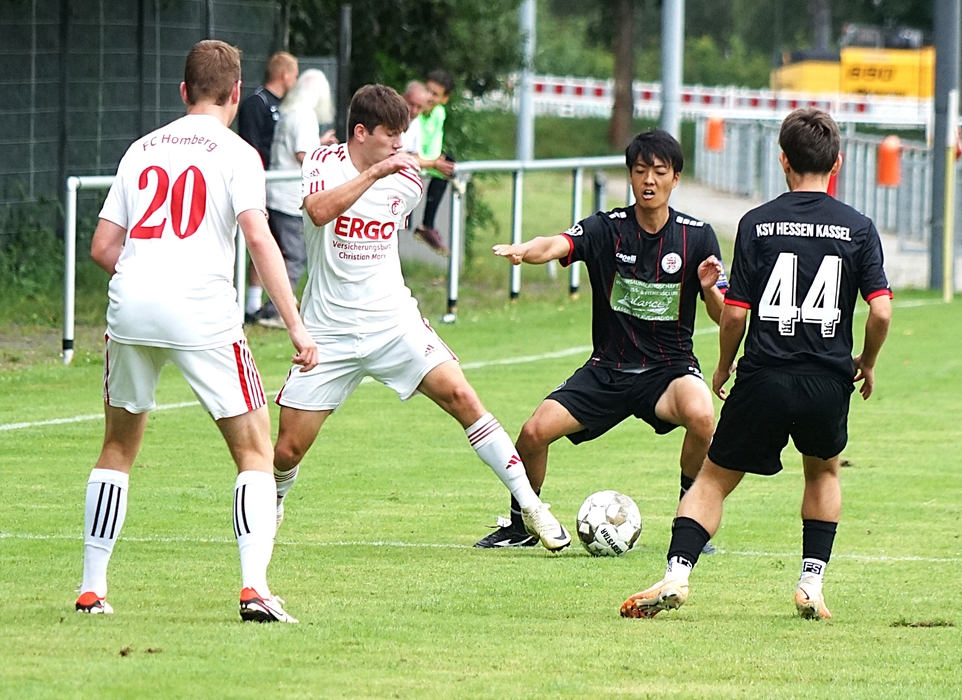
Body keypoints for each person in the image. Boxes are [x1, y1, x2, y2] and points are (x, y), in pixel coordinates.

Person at [269, 84, 571, 552]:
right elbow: (318, 211)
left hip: (393, 323)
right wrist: (375, 173)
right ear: (361, 132)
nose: (400, 145)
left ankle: (532, 507)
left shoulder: (407, 182)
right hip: (328, 331)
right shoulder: (324, 162)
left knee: (463, 396)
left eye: (402, 135)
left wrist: (390, 168)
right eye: (391, 135)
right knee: (287, 450)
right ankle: (274, 500)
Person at [77, 40, 318, 624]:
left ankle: (91, 589)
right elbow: (258, 238)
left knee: (117, 447)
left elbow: (103, 247)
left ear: (183, 92)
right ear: (236, 93)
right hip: (201, 308)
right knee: (254, 451)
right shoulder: (238, 153)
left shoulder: (141, 149)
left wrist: (148, 276)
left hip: (131, 305)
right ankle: (254, 588)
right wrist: (296, 325)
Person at [620, 108, 893, 621]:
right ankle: (810, 584)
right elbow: (880, 310)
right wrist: (868, 361)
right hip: (826, 379)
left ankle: (677, 573)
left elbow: (735, 313)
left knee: (712, 480)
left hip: (764, 375)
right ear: (837, 162)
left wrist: (724, 365)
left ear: (783, 160)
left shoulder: (757, 223)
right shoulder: (858, 228)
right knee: (823, 472)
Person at [483, 130, 727, 550]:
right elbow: (557, 243)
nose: (649, 180)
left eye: (659, 171)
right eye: (640, 170)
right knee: (533, 432)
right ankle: (522, 526)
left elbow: (722, 316)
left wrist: (709, 289)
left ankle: (690, 519)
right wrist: (526, 250)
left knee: (702, 414)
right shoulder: (606, 228)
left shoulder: (698, 236)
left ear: (675, 178)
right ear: (630, 176)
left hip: (668, 370)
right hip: (608, 369)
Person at [255, 69, 338, 328]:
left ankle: (263, 306)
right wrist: (326, 162)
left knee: (278, 253)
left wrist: (318, 144)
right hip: (291, 196)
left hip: (275, 193)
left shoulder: (288, 112)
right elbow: (303, 154)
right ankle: (275, 310)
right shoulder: (305, 115)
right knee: (294, 256)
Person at [238, 51, 298, 320]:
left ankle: (262, 303)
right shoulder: (257, 102)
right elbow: (250, 143)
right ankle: (251, 304)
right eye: (294, 75)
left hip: (279, 187)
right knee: (258, 238)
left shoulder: (286, 107)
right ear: (284, 74)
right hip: (260, 182)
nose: (295, 81)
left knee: (272, 240)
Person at [413, 69, 457, 255]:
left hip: (420, 159)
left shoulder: (439, 112)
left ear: (444, 99)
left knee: (448, 163)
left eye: (435, 94)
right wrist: (432, 163)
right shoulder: (414, 110)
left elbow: (434, 146)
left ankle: (427, 225)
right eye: (427, 90)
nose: (429, 97)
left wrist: (434, 162)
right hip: (406, 157)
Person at [400, 80, 430, 156]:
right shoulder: (389, 119)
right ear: (403, 98)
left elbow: (416, 154)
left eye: (419, 107)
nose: (414, 111)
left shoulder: (416, 123)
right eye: (411, 104)